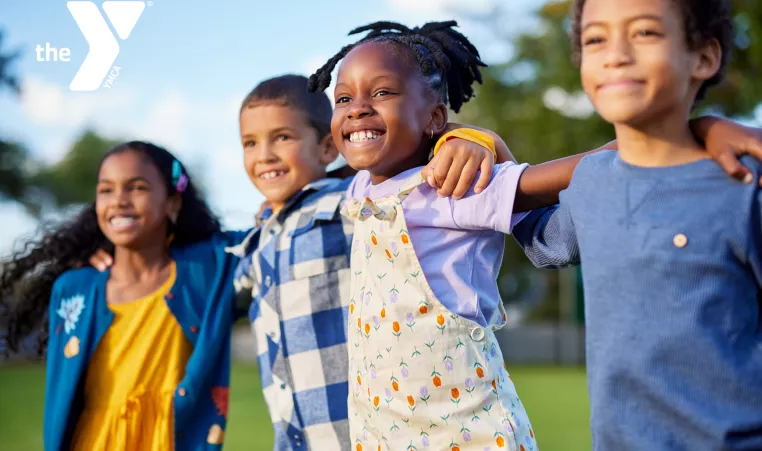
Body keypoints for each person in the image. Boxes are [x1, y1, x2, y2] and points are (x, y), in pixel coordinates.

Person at [513, 0, 762, 449]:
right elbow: (538, 237)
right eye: (595, 39)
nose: (616, 54)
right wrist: (484, 148)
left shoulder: (743, 184)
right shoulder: (589, 183)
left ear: (704, 57)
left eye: (645, 32)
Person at [1, 142, 244, 450]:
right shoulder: (75, 288)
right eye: (106, 190)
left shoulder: (206, 269)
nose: (119, 201)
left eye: (137, 187)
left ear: (173, 203)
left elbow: (270, 232)